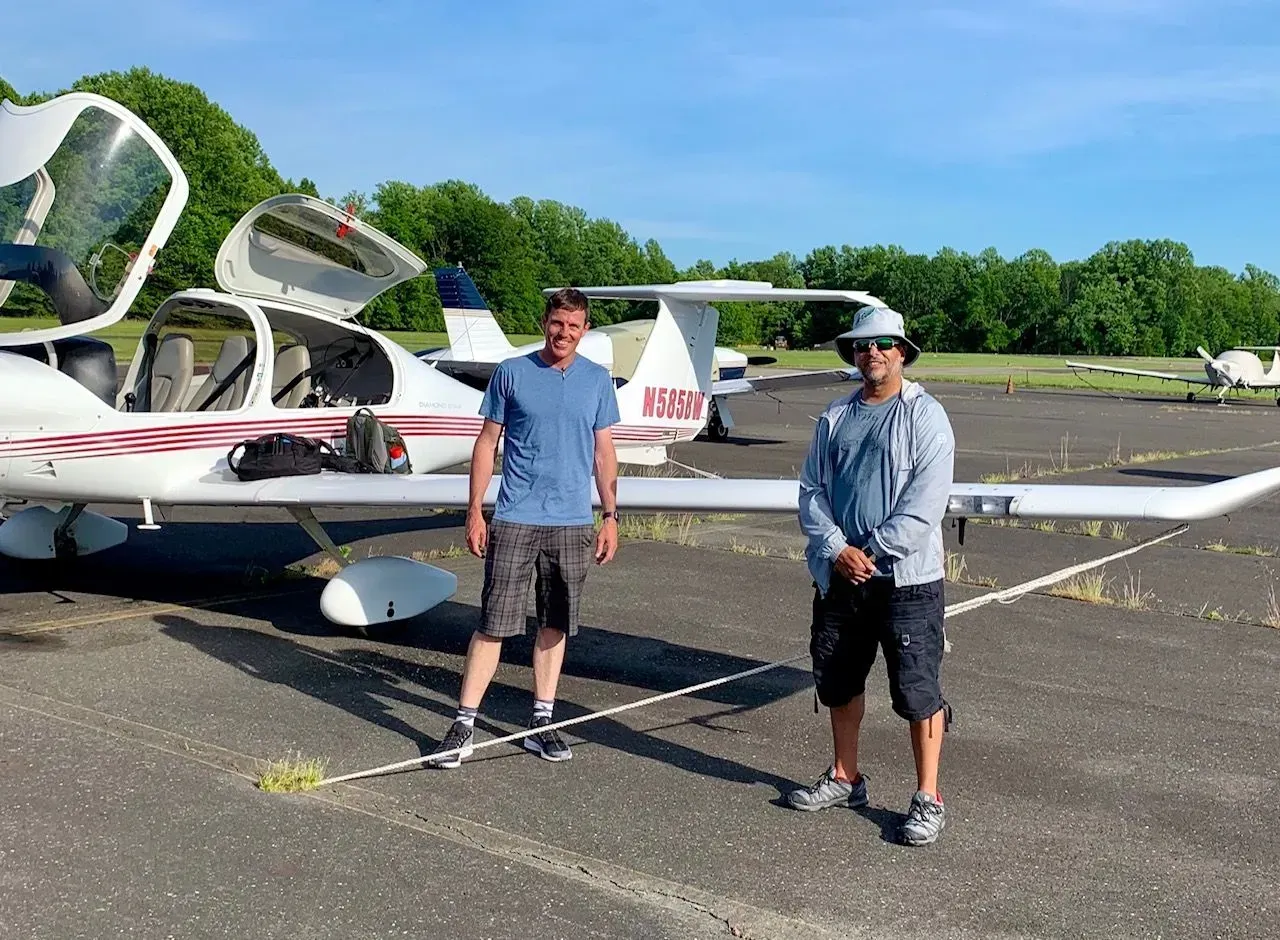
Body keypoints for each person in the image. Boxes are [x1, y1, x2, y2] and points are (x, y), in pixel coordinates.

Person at [426, 287, 621, 768]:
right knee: (493, 625)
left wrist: (611, 515)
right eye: (558, 323)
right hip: (514, 517)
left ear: (585, 330)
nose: (564, 333)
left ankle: (542, 721)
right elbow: (486, 444)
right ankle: (463, 725)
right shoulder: (512, 373)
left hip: (572, 522)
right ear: (545, 322)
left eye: (574, 326)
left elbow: (603, 452)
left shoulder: (597, 381)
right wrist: (475, 509)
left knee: (554, 625)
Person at [790, 304, 956, 847]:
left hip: (906, 581)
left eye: (883, 344)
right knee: (837, 680)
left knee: (916, 690)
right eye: (863, 345)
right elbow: (812, 490)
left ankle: (927, 798)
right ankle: (846, 777)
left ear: (902, 351)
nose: (873, 353)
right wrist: (837, 550)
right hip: (841, 576)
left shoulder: (925, 416)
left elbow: (924, 505)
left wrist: (872, 550)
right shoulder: (835, 417)